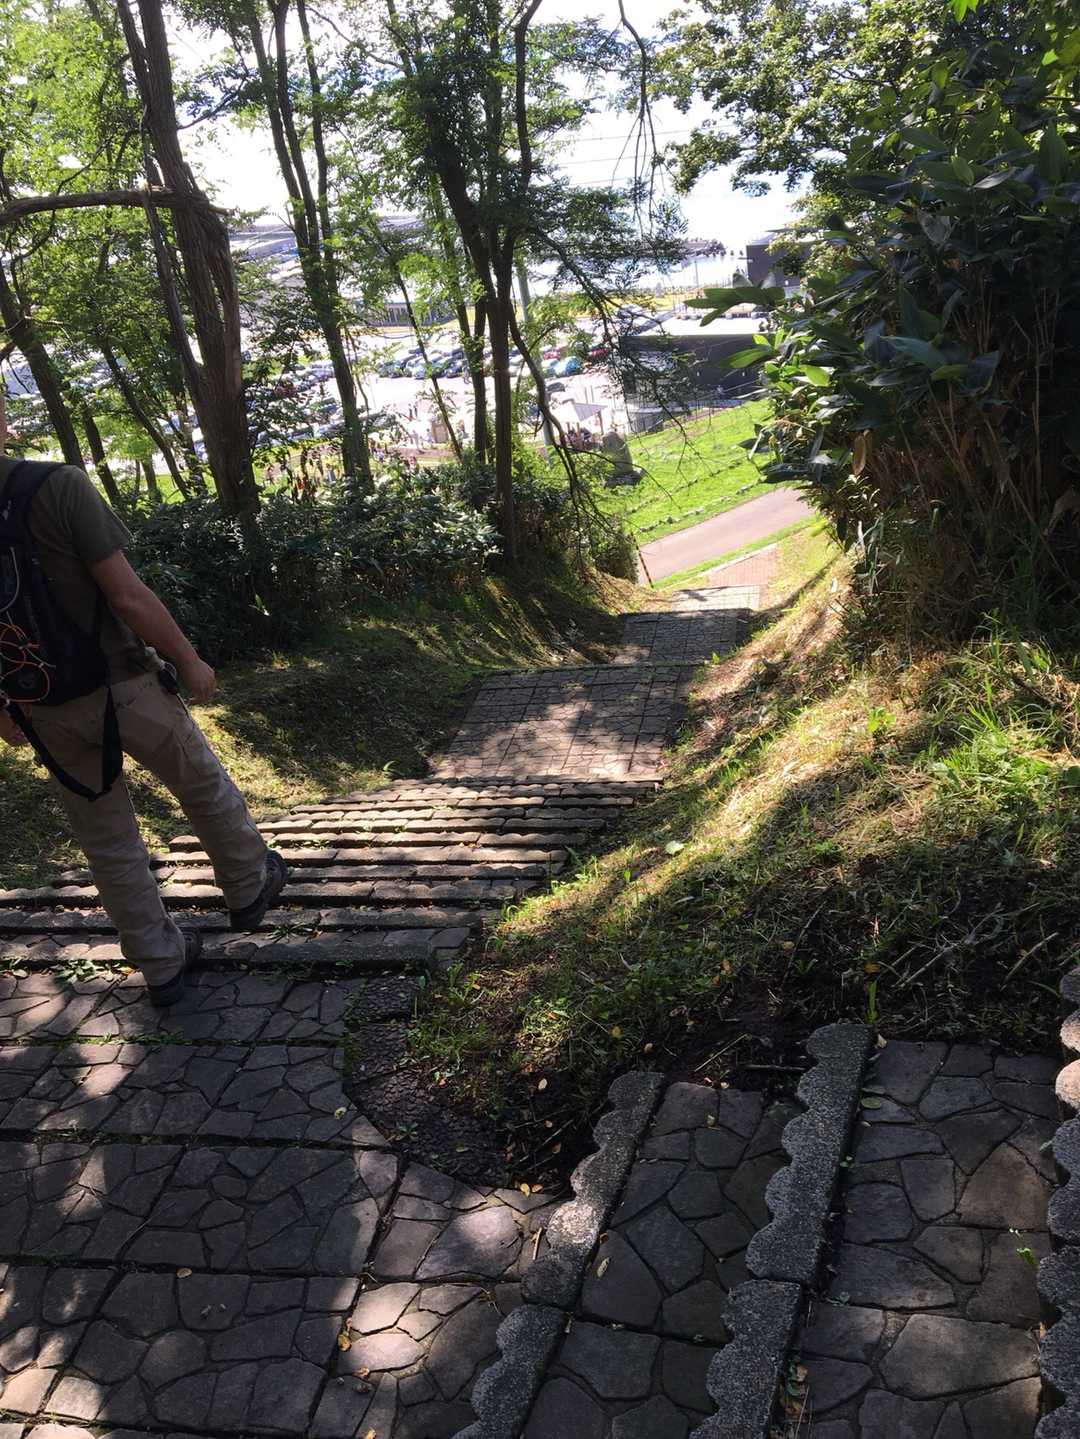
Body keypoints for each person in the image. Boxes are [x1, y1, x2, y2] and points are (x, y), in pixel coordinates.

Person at [0, 453, 288, 1007]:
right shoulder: (56, 485)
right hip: (125, 685)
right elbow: (126, 595)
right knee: (201, 785)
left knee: (107, 841)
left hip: (46, 708)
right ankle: (247, 884)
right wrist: (189, 660)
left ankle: (160, 962)